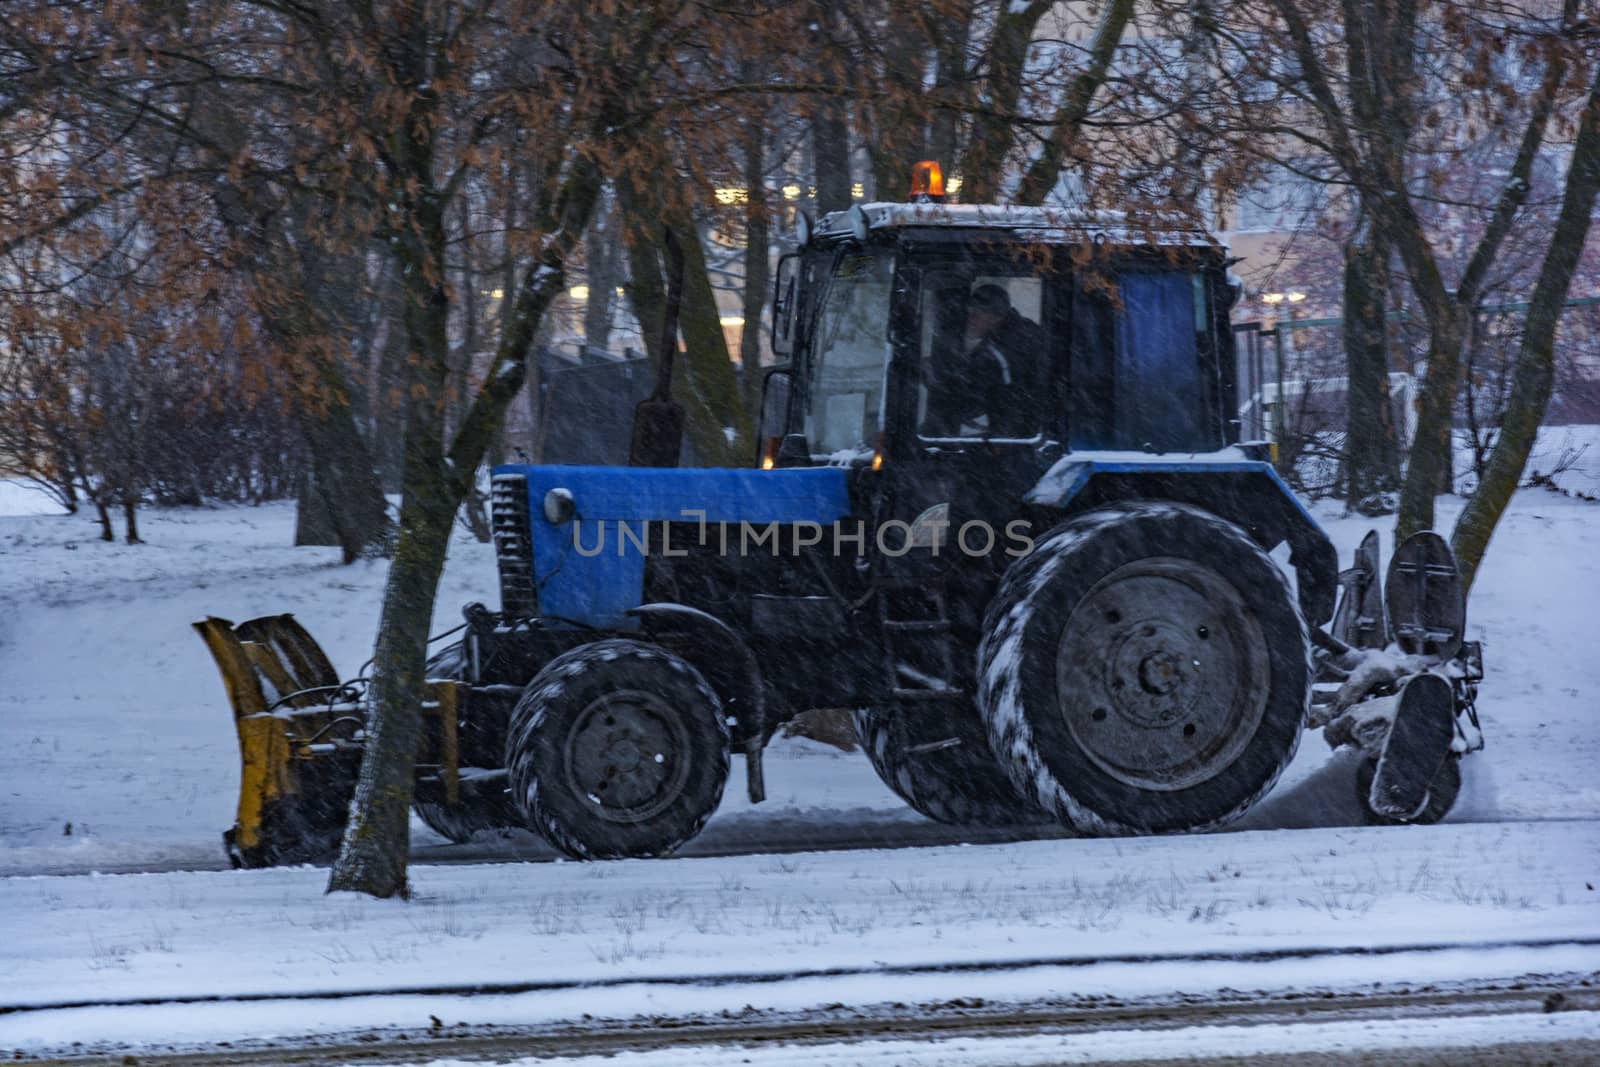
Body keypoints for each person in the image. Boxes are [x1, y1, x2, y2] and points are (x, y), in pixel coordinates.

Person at [926, 283, 1048, 436]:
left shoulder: (1008, 348)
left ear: (998, 317)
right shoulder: (1006, 337)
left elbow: (987, 397)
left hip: (1015, 437)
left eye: (976, 315)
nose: (970, 321)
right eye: (969, 313)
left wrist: (938, 382)